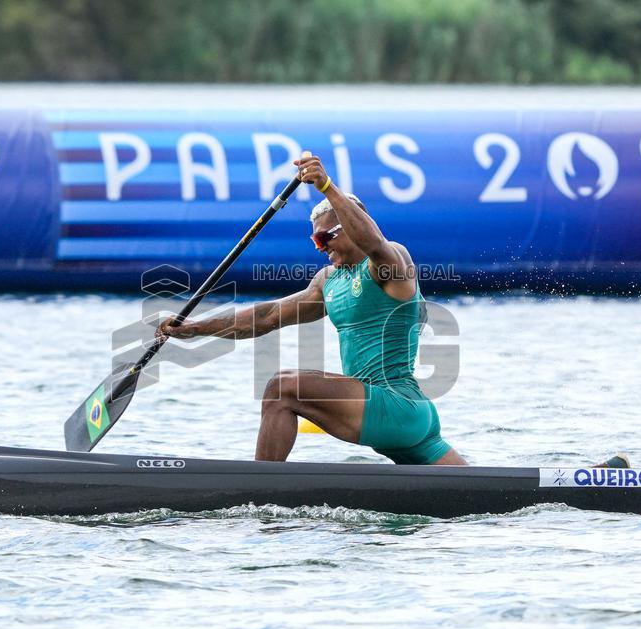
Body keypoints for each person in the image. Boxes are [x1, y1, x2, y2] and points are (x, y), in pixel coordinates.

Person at [157, 153, 467, 465]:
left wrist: (327, 187)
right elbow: (268, 316)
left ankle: (258, 489)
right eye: (314, 241)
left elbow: (374, 243)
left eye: (323, 237)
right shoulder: (328, 282)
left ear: (347, 226)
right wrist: (196, 328)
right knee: (475, 498)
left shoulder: (390, 264)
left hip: (396, 405)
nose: (320, 247)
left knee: (283, 389)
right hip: (402, 420)